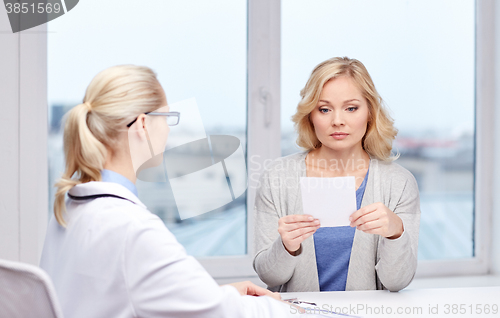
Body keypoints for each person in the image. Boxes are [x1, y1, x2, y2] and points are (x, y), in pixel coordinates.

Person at [40, 65, 302, 318]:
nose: (167, 129)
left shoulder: (68, 210)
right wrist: (290, 309)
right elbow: (221, 314)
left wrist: (214, 295)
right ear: (143, 125)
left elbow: (119, 296)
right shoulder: (132, 228)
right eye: (167, 118)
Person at [253, 57, 421, 293]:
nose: (338, 121)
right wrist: (286, 247)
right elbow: (268, 276)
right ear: (311, 115)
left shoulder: (399, 183)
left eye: (351, 108)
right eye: (324, 109)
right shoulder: (277, 178)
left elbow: (396, 282)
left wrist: (396, 232)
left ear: (370, 113)